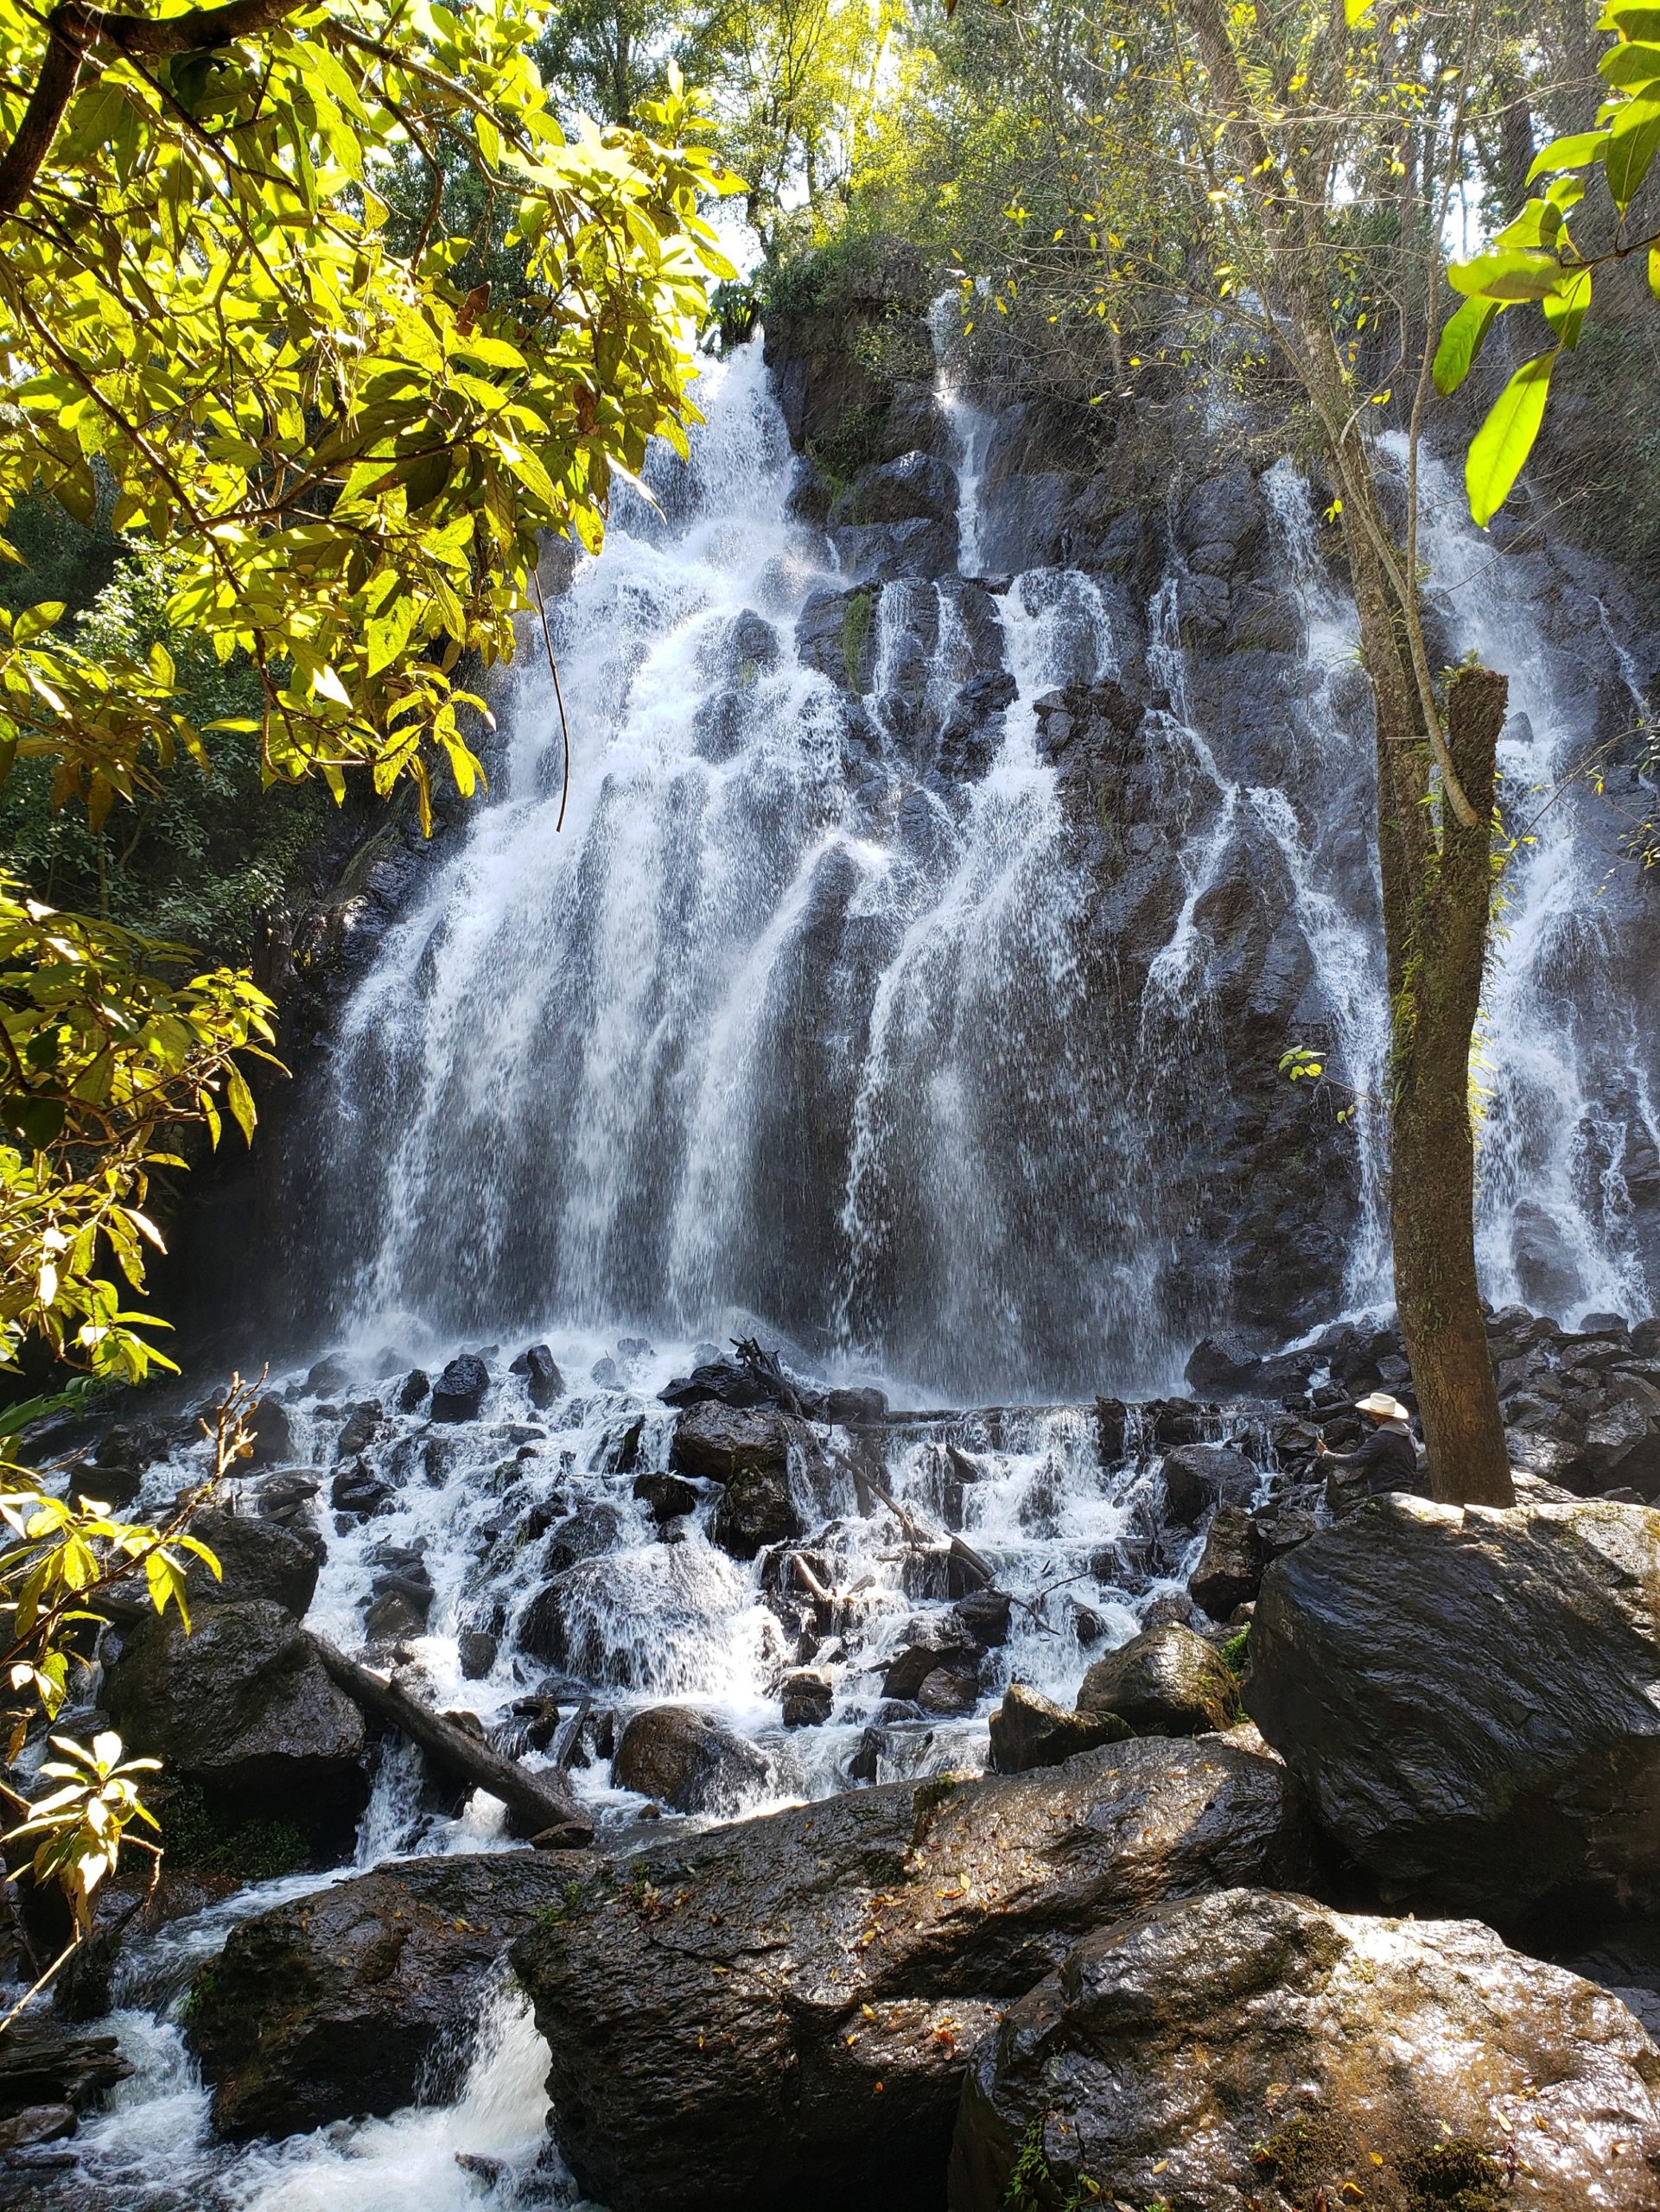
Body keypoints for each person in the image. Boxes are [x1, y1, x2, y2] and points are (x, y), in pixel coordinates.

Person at [1316, 1392, 1421, 1508]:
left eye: (1371, 1413)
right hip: (1406, 1491)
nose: (1369, 1416)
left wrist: (1326, 1454)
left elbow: (1355, 1460)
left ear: (1379, 1415)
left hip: (1387, 1493)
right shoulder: (1407, 1434)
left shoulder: (1382, 1438)